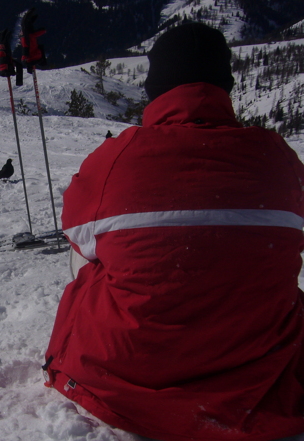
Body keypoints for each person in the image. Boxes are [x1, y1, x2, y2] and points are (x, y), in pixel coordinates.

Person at [44, 22, 304, 441]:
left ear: (156, 86)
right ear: (226, 85)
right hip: (261, 373)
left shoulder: (117, 158)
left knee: (92, 251)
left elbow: (75, 233)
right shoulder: (280, 158)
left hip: (129, 372)